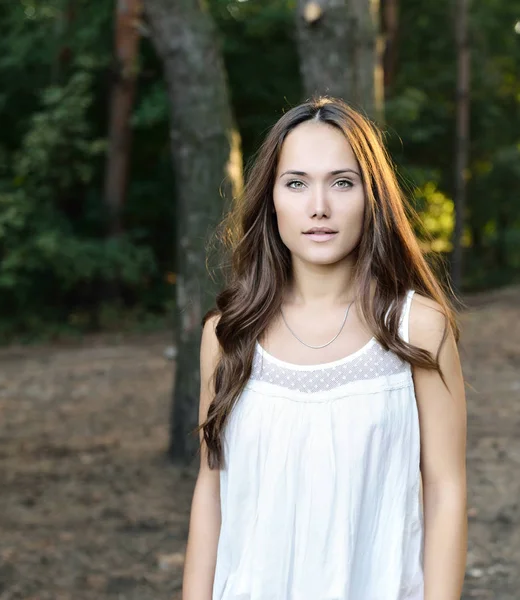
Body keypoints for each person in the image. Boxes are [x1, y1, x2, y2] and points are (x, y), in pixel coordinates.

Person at [182, 97, 467, 600]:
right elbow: (211, 491)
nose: (319, 206)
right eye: (296, 183)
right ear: (271, 198)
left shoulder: (417, 329)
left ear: (371, 195)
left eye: (342, 182)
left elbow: (446, 489)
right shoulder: (228, 334)